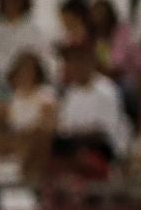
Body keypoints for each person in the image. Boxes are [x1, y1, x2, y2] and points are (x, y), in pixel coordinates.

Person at [47, 40, 134, 186]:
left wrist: (72, 136)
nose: (73, 65)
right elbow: (63, 128)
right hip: (75, 150)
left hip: (106, 153)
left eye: (77, 59)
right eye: (69, 61)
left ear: (90, 61)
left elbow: (104, 133)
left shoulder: (106, 90)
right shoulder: (71, 93)